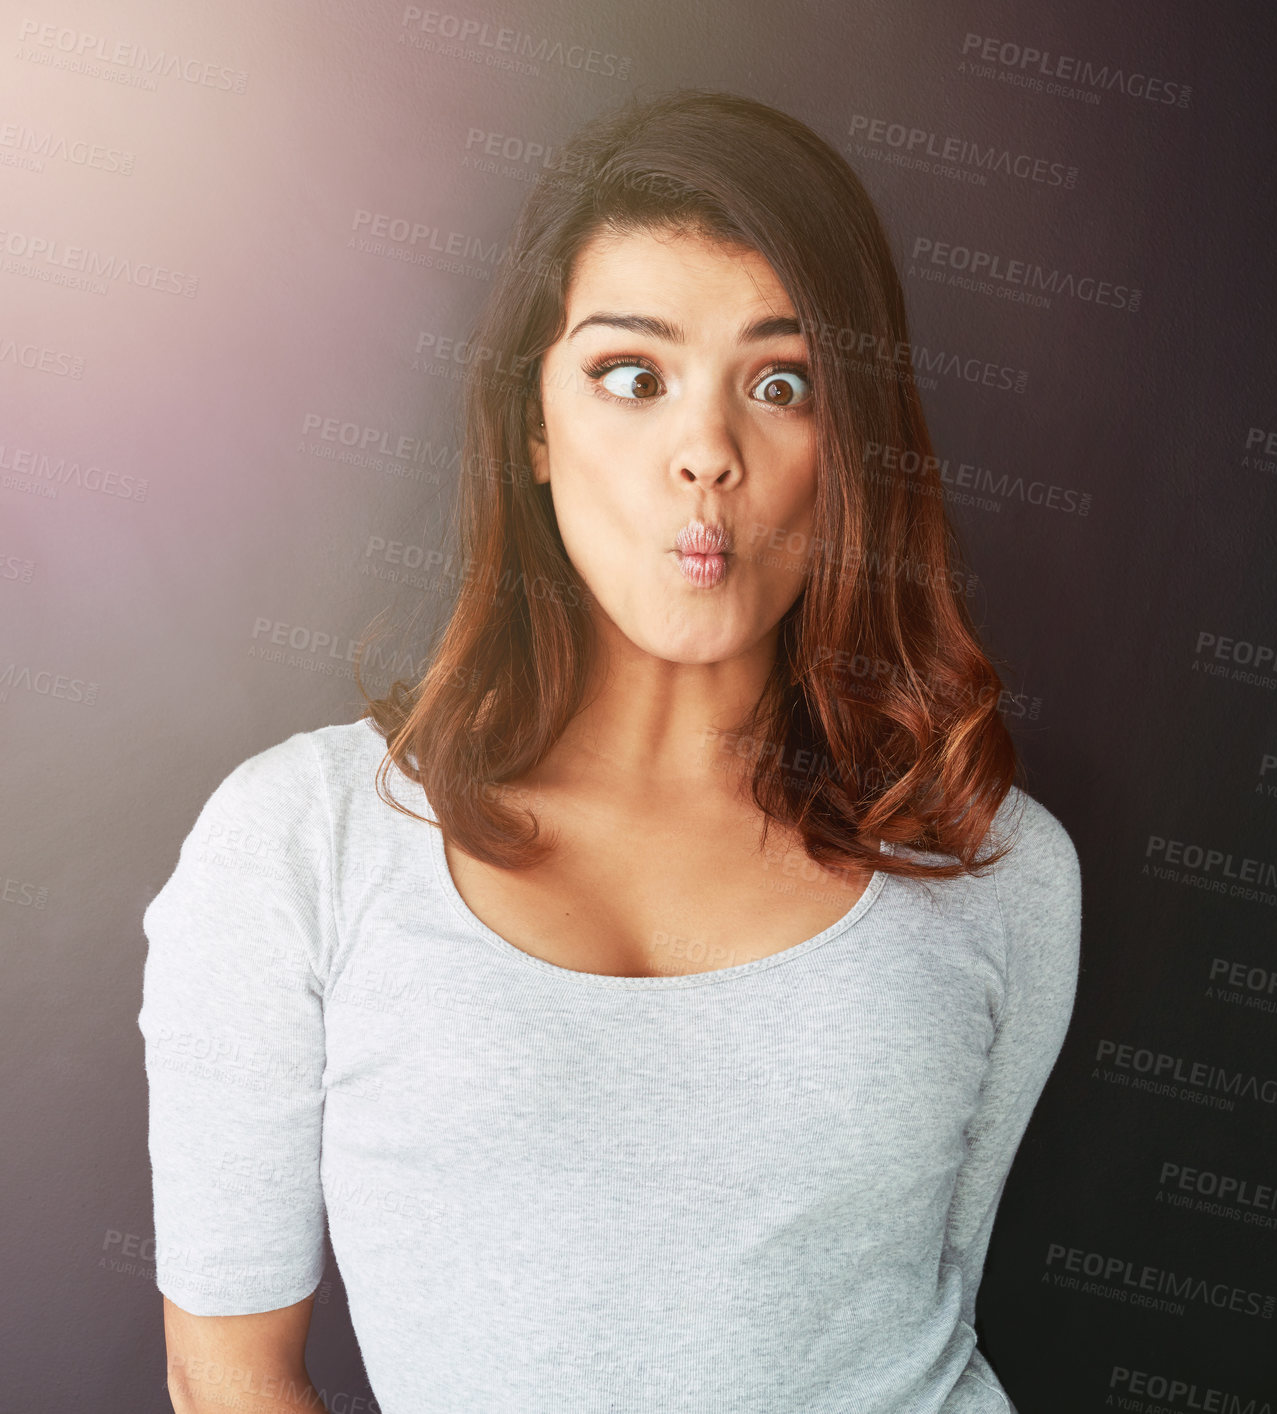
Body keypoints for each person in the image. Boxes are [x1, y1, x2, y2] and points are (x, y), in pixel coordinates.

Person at [140, 88, 1082, 1414]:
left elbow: (927, 1309)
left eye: (780, 382)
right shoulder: (299, 843)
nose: (707, 453)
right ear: (532, 423)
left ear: (848, 441)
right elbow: (226, 1373)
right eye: (631, 377)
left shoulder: (995, 864)